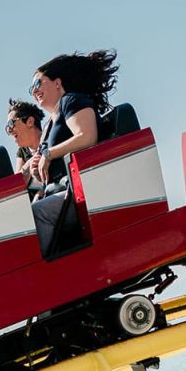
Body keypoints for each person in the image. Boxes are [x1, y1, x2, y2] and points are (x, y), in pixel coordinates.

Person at [27, 49, 119, 256]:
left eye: (38, 83)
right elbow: (48, 165)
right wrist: (36, 169)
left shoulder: (71, 100)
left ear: (57, 83)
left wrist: (49, 154)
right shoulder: (49, 124)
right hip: (57, 192)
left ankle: (45, 270)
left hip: (77, 194)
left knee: (36, 215)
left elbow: (87, 136)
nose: (34, 91)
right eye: (31, 88)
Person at [5, 98, 45, 192]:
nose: (10, 130)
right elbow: (17, 185)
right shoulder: (22, 152)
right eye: (7, 127)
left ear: (30, 121)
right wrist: (28, 165)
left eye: (11, 123)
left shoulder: (50, 139)